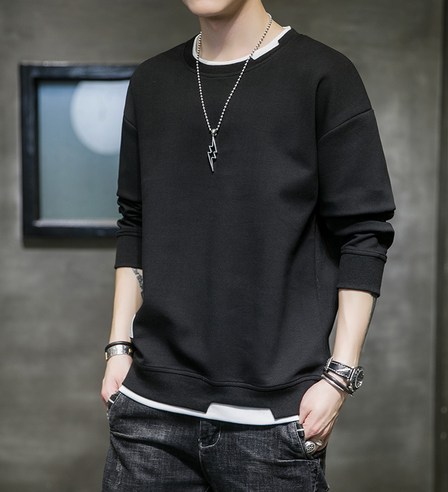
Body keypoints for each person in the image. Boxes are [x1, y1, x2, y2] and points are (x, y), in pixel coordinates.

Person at [100, 0, 395, 490]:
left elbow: (364, 231)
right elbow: (134, 221)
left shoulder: (322, 75)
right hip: (149, 416)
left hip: (273, 424)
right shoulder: (152, 81)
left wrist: (339, 376)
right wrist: (117, 349)